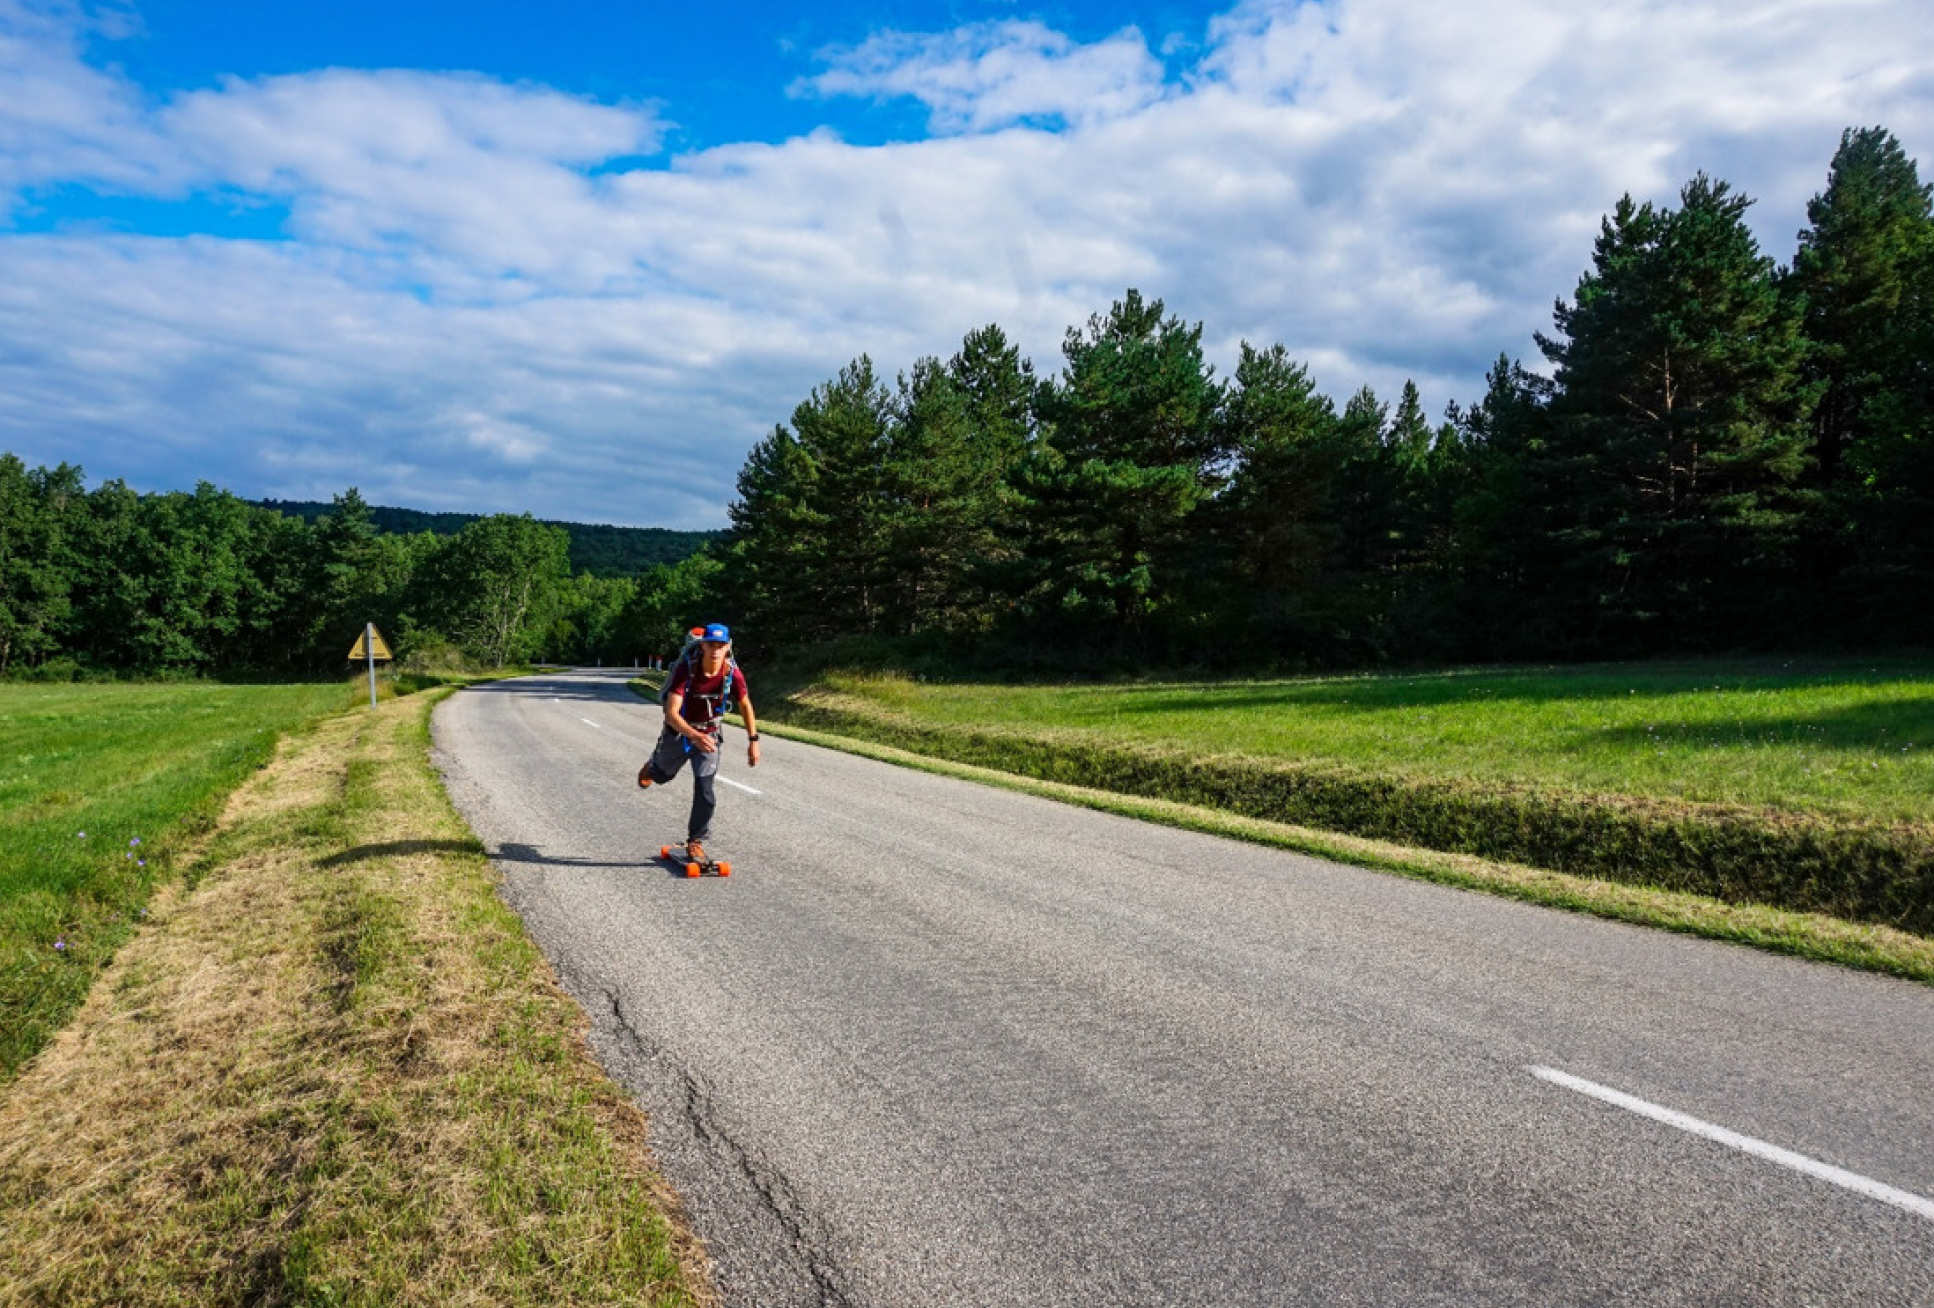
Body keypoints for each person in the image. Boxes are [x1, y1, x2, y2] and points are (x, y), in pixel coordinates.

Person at [638, 622, 759, 864]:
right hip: (680, 732)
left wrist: (753, 740)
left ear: (727, 648)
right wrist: (693, 735)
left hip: (710, 734)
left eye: (721, 646)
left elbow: (745, 704)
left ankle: (695, 841)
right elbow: (671, 713)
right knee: (662, 776)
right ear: (702, 646)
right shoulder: (687, 669)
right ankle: (652, 766)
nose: (715, 650)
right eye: (711, 645)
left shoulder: (731, 673)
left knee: (705, 789)